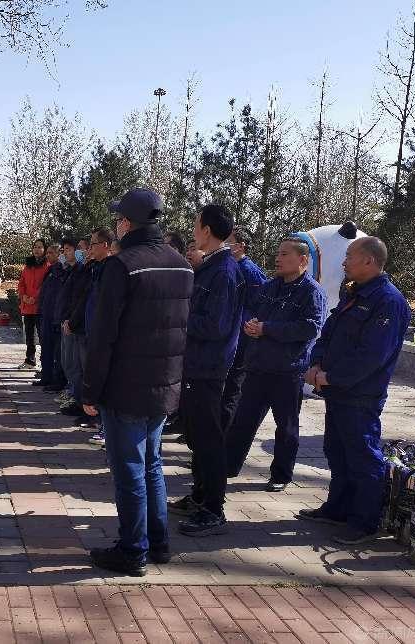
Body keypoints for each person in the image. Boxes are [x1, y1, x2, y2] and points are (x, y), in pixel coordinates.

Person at [82, 188, 194, 576]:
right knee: (151, 465)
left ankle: (133, 550)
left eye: (117, 220)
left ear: (127, 223)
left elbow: (103, 337)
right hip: (164, 383)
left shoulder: (123, 265)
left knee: (130, 469)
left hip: (126, 386)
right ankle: (157, 542)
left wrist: (90, 389)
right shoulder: (182, 265)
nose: (115, 226)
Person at [298, 237, 411, 545]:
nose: (344, 262)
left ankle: (364, 522)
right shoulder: (354, 293)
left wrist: (330, 376)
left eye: (350, 256)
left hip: (360, 395)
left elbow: (371, 356)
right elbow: (328, 333)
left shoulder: (388, 301)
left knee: (363, 458)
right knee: (337, 451)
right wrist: (316, 364)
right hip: (336, 391)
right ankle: (338, 509)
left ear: (369, 261)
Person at [225, 239, 327, 491]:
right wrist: (251, 325)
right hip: (258, 367)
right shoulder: (270, 287)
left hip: (287, 371)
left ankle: (281, 475)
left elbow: (310, 328)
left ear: (302, 260)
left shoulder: (311, 292)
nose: (278, 258)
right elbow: (252, 310)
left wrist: (267, 329)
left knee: (286, 428)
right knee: (243, 422)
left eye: (284, 254)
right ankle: (227, 466)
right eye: (277, 253)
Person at [169, 204, 244, 536]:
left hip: (208, 366)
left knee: (209, 438)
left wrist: (180, 318)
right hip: (196, 363)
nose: (193, 230)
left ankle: (214, 508)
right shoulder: (210, 266)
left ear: (207, 230)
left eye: (196, 224)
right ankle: (200, 494)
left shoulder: (224, 272)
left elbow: (216, 325)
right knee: (197, 436)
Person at [221, 226, 268, 430]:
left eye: (228, 241)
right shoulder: (230, 266)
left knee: (233, 387)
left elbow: (260, 305)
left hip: (242, 338)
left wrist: (244, 323)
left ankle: (225, 433)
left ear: (240, 246)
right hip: (229, 335)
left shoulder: (249, 270)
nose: (224, 245)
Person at [82, 227, 114, 443]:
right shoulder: (96, 267)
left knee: (102, 379)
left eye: (93, 244)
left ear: (105, 245)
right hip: (91, 329)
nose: (89, 249)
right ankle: (100, 422)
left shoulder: (111, 269)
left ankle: (105, 427)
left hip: (102, 334)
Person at [54, 238, 83, 413]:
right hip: (64, 319)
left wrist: (70, 319)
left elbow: (77, 299)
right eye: (63, 250)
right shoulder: (67, 271)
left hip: (73, 323)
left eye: (69, 249)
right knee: (66, 361)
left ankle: (77, 397)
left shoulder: (81, 271)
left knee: (74, 363)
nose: (65, 253)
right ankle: (72, 391)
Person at [35, 244, 66, 388]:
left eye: (51, 253)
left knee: (56, 351)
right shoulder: (50, 270)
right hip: (45, 315)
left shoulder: (61, 271)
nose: (48, 255)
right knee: (46, 348)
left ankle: (56, 379)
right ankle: (46, 376)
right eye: (47, 253)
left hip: (55, 316)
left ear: (59, 254)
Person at [17, 239, 50, 369]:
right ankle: (30, 360)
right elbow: (21, 283)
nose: (37, 249)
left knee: (42, 336)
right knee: (29, 336)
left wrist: (34, 298)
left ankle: (45, 363)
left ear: (45, 249)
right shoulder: (28, 266)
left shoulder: (48, 266)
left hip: (40, 307)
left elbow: (45, 285)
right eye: (35, 247)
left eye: (40, 247)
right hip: (27, 306)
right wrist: (24, 296)